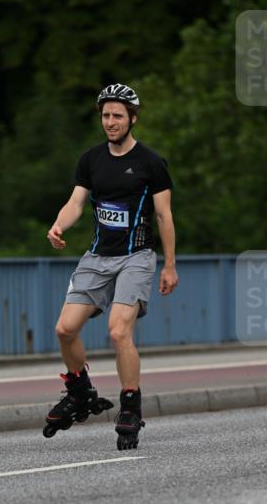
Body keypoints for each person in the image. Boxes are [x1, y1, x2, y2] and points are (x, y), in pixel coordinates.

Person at [45, 83, 178, 448]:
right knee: (64, 329)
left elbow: (164, 217)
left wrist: (169, 265)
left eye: (118, 115)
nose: (110, 122)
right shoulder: (91, 160)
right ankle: (80, 392)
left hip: (136, 257)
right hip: (97, 256)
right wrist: (59, 225)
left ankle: (131, 406)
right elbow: (75, 203)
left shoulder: (151, 163)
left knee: (119, 331)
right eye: (105, 115)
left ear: (132, 118)